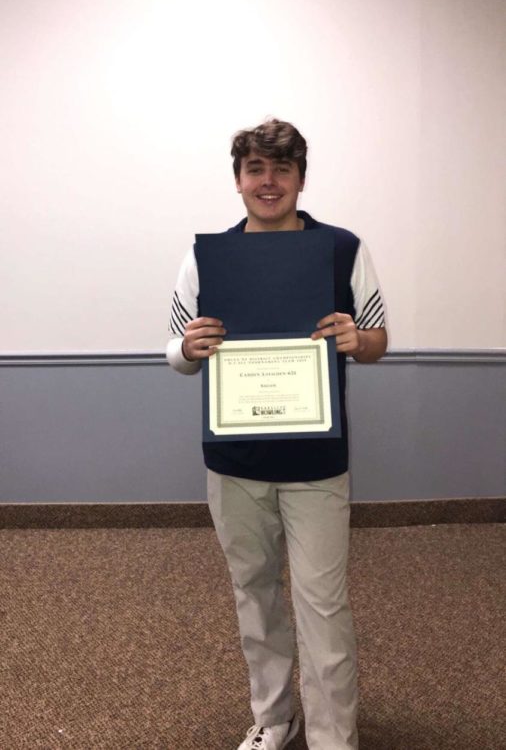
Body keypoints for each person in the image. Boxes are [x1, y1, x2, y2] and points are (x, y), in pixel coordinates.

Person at [166, 118, 387, 750]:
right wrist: (186, 348)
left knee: (322, 604)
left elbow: (376, 340)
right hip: (235, 457)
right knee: (254, 595)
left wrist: (357, 340)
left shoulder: (341, 248)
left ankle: (332, 736)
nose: (269, 182)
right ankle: (273, 718)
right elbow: (178, 352)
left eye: (282, 170)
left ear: (300, 178)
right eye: (256, 170)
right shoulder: (208, 255)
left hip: (317, 460)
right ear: (238, 180)